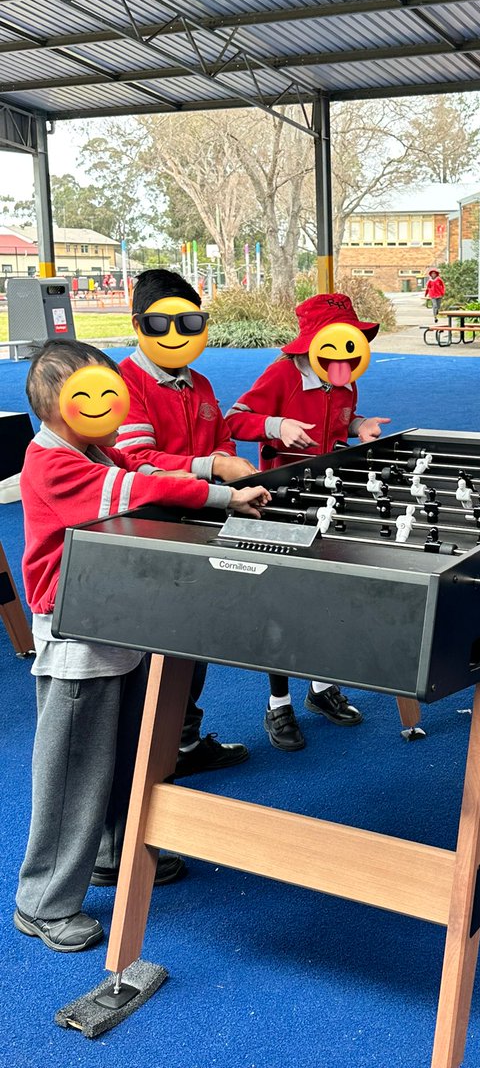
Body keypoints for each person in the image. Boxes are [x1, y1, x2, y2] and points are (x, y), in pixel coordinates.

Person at [14, 339, 269, 953]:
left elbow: (144, 470)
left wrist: (203, 472)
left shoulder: (93, 448)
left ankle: (109, 850)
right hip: (77, 628)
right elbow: (140, 491)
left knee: (124, 748)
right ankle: (43, 899)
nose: (106, 406)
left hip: (115, 615)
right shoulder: (55, 462)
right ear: (55, 408)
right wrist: (222, 496)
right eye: (90, 398)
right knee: (73, 763)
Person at [226, 292, 390, 751]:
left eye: (351, 346)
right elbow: (235, 420)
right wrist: (278, 426)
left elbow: (339, 420)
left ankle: (320, 690)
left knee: (331, 593)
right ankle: (279, 703)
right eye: (335, 345)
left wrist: (358, 425)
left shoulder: (344, 375)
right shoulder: (283, 373)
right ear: (311, 345)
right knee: (280, 601)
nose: (344, 357)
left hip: (330, 496)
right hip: (279, 500)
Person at [117, 269, 258, 778]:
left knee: (194, 636)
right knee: (158, 640)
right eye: (161, 323)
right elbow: (136, 460)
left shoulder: (199, 382)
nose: (175, 334)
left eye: (190, 321)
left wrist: (224, 471)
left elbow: (221, 437)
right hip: (151, 525)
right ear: (138, 325)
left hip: (202, 516)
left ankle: (182, 739)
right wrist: (213, 469)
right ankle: (146, 754)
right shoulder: (121, 385)